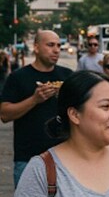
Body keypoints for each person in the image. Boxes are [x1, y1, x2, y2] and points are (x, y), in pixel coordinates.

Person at [0, 30, 72, 187]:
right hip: (28, 159)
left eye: (59, 45)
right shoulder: (18, 77)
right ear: (36, 47)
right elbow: (4, 114)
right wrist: (34, 100)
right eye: (50, 45)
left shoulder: (68, 76)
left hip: (65, 158)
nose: (56, 50)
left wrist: (66, 97)